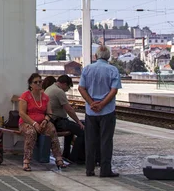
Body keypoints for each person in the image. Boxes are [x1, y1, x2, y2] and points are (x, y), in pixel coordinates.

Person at [78, 45, 122, 178]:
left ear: (95, 56)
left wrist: (91, 103)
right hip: (107, 111)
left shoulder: (87, 69)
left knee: (90, 140)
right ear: (108, 57)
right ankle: (105, 170)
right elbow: (114, 90)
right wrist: (102, 104)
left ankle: (89, 169)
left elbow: (81, 88)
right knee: (106, 141)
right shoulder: (113, 70)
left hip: (90, 112)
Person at [18, 72, 68, 172]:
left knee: (52, 129)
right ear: (31, 84)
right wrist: (34, 123)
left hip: (42, 122)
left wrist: (46, 120)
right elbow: (22, 113)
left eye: (40, 81)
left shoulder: (45, 97)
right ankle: (27, 161)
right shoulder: (25, 96)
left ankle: (58, 159)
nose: (38, 84)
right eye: (35, 82)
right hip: (27, 122)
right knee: (31, 132)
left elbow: (49, 112)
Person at [45, 74, 84, 162]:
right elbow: (69, 110)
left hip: (52, 120)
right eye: (68, 87)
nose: (67, 90)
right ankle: (76, 157)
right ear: (64, 84)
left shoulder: (50, 88)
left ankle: (66, 154)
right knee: (82, 131)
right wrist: (78, 122)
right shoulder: (59, 91)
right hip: (58, 121)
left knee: (71, 131)